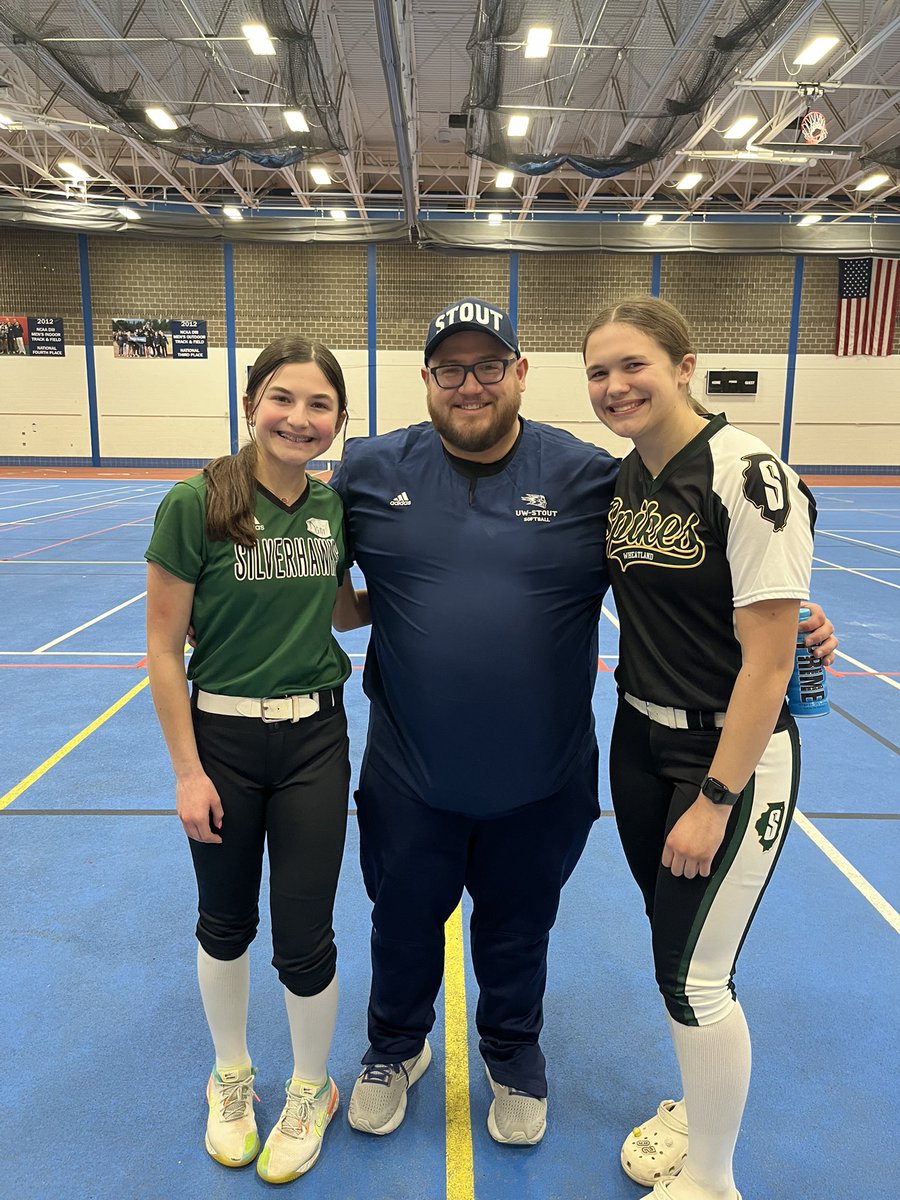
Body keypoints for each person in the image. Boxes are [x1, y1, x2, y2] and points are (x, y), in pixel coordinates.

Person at [329, 297, 837, 1148]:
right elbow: (318, 575)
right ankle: (393, 1047)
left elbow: (701, 559)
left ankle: (513, 1053)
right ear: (425, 380)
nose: (470, 384)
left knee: (520, 926)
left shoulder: (591, 477)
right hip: (409, 770)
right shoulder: (369, 470)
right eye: (450, 368)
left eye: (490, 365)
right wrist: (223, 597)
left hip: (543, 773)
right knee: (402, 917)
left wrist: (799, 618)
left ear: (521, 374)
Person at [582, 295, 817, 1200]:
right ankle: (699, 1101)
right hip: (639, 737)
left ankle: (713, 1182)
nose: (614, 386)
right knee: (679, 949)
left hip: (729, 761)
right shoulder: (626, 481)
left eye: (633, 364)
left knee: (695, 977)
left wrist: (716, 801)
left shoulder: (744, 470)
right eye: (599, 372)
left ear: (683, 365)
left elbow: (766, 669)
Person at [145, 335, 366, 1184]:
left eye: (318, 405)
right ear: (250, 405)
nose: (299, 418)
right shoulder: (195, 501)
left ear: (338, 422)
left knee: (305, 935)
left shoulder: (331, 508)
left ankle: (312, 1088)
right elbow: (165, 651)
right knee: (225, 920)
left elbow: (342, 615)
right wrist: (187, 771)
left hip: (316, 739)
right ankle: (232, 1077)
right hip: (223, 743)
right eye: (282, 398)